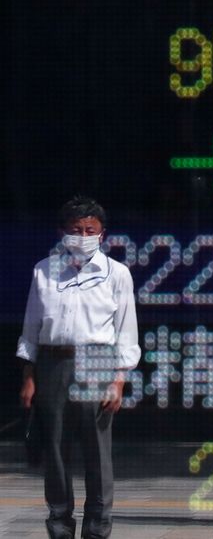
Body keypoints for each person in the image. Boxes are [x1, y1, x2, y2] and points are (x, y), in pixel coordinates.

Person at [17, 196, 140, 539]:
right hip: (53, 359)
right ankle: (59, 524)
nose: (82, 236)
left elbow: (125, 332)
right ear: (63, 233)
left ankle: (98, 527)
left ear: (101, 234)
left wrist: (118, 381)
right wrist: (29, 375)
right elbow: (31, 326)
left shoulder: (116, 274)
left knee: (96, 450)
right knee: (54, 447)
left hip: (97, 358)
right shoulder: (43, 270)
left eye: (90, 230)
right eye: (76, 230)